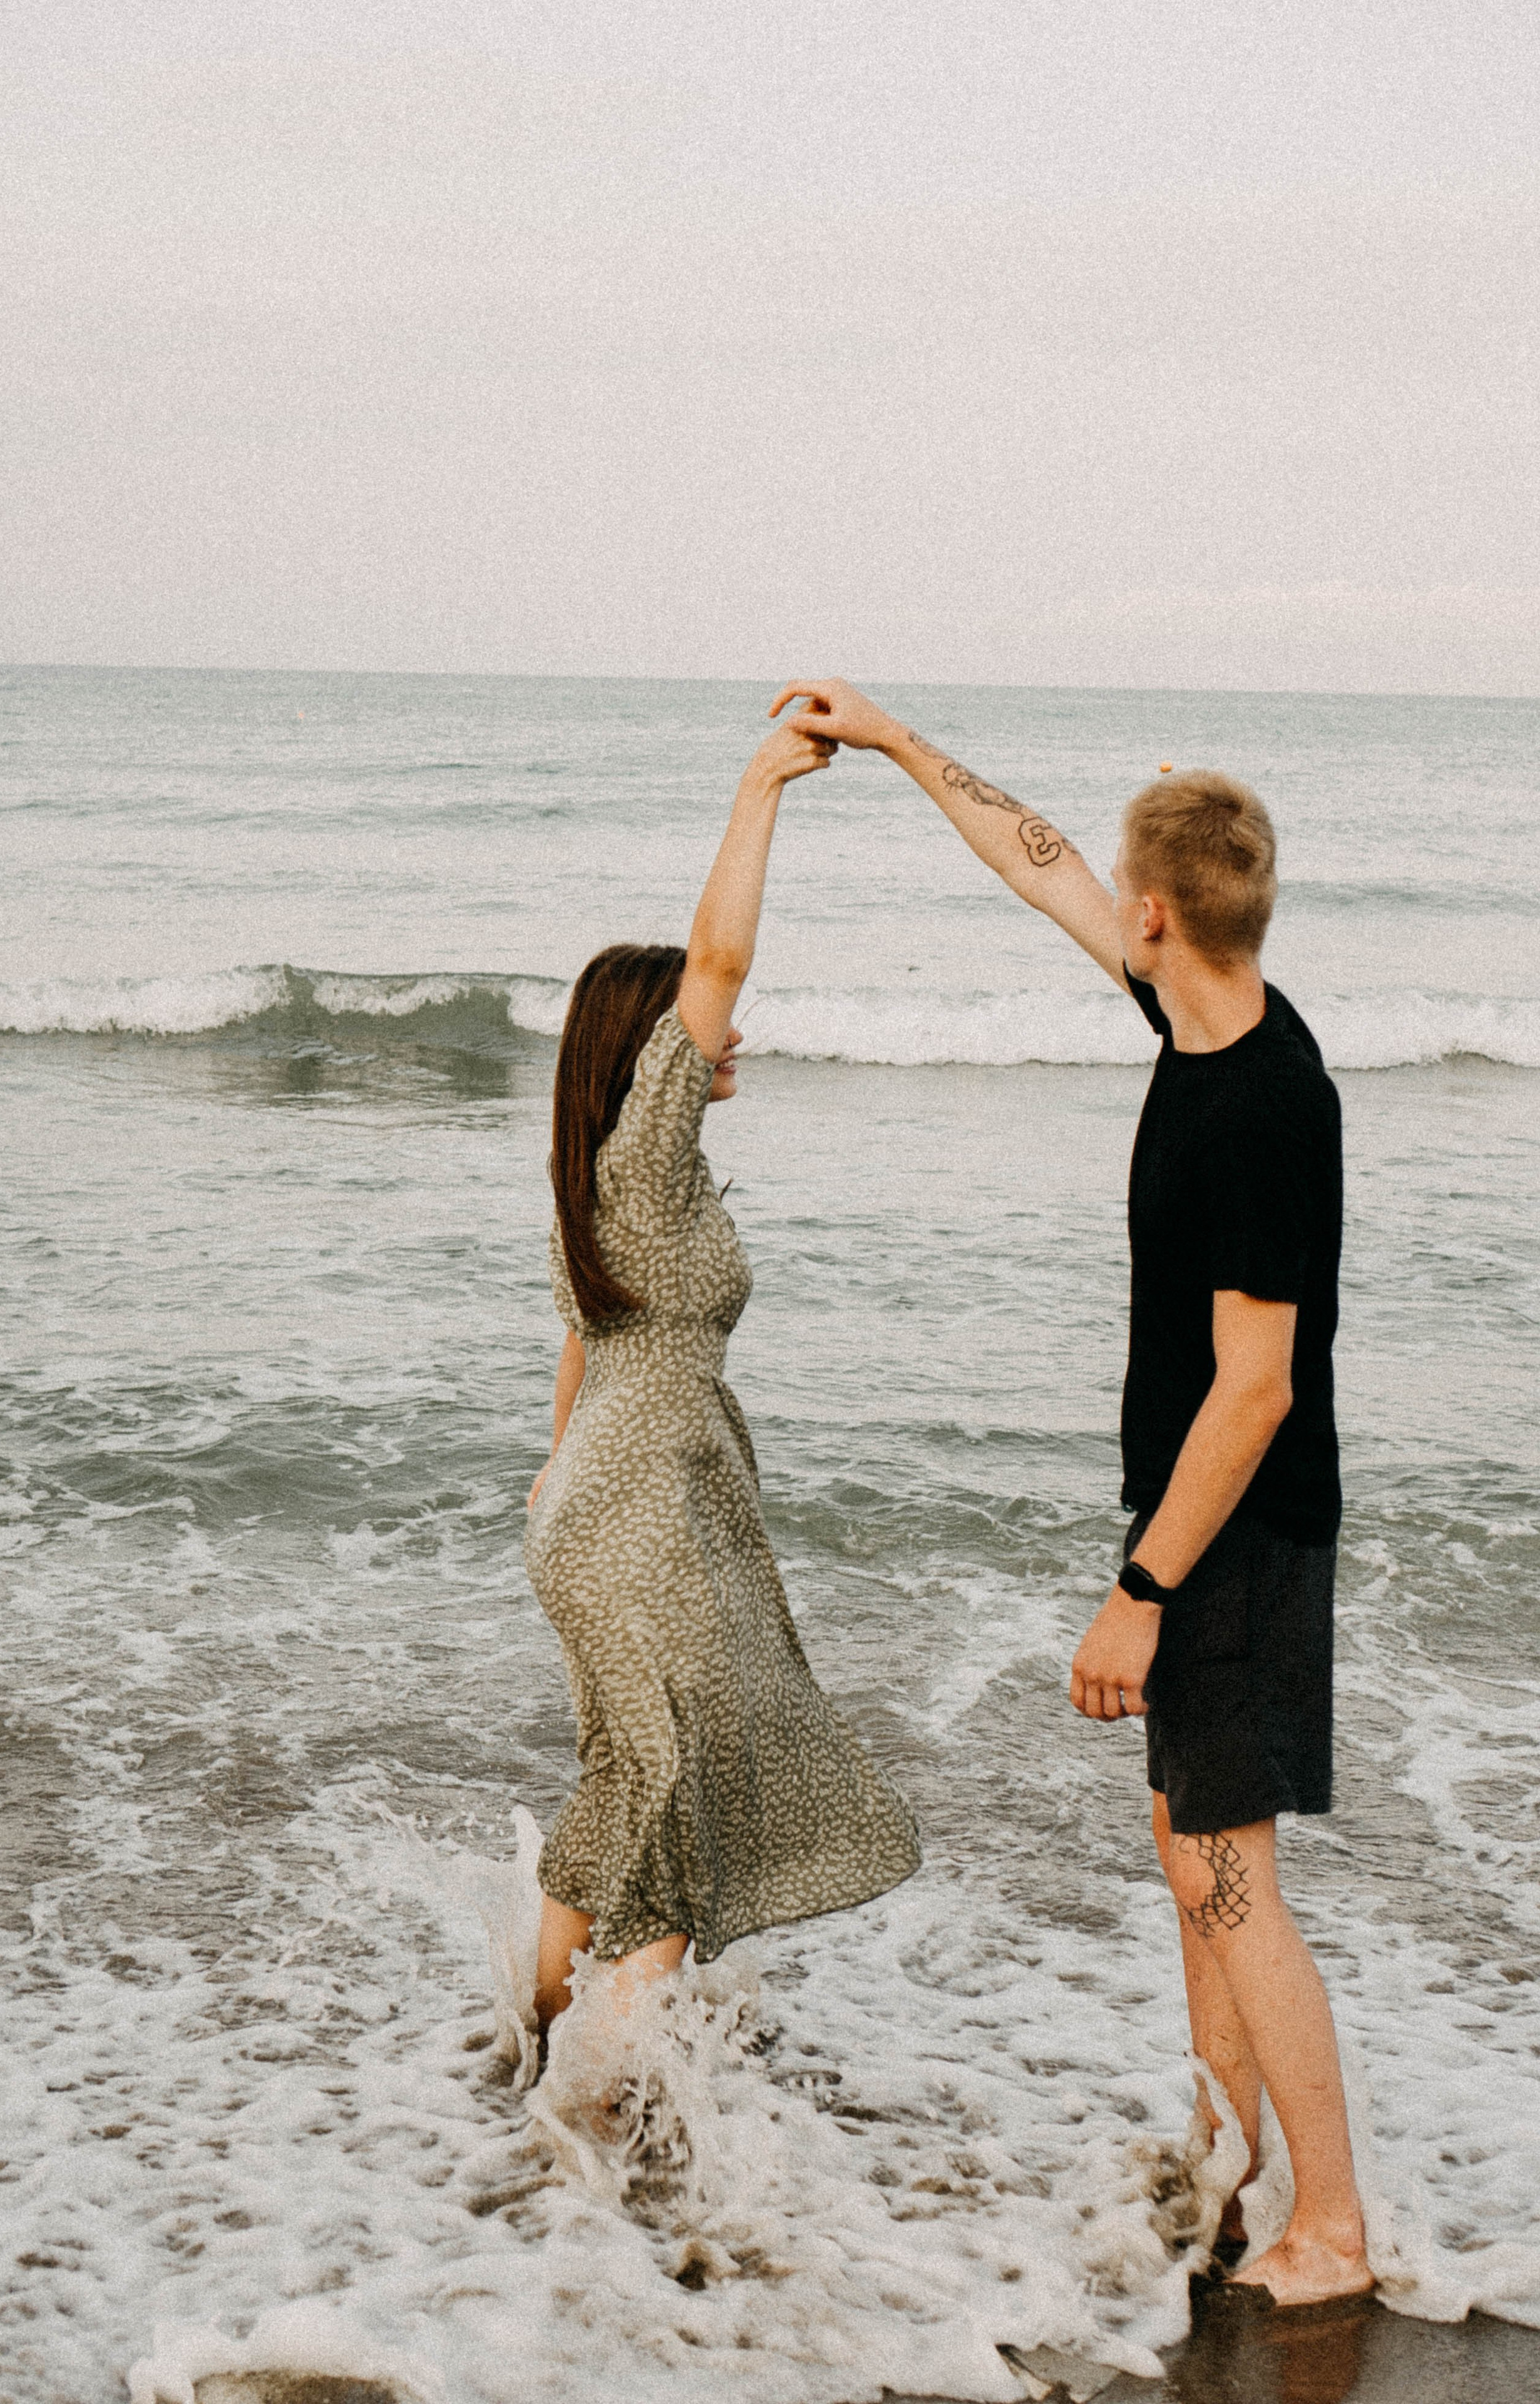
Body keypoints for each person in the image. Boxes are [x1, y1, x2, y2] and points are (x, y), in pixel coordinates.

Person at [766, 678, 1370, 2311]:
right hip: (1204, 1526)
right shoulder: (1201, 1007)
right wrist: (890, 740)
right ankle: (1224, 2170)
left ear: (1163, 913)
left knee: (1234, 1883)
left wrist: (1142, 1590)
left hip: (1229, 1541)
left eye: (1129, 890)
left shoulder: (1259, 1107)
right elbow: (1034, 862)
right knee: (1199, 1873)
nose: (1104, 902)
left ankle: (1337, 2228)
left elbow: (1258, 1390)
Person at [523, 714, 921, 2041]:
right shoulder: (646, 1147)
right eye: (701, 1032)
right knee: (688, 1802)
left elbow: (583, 1342)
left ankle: (526, 2046)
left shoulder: (605, 1183)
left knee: (625, 1784)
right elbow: (719, 955)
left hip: (593, 1509)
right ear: (648, 1058)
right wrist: (761, 789)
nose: (729, 1032)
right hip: (634, 1522)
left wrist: (549, 1474)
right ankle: (611, 2112)